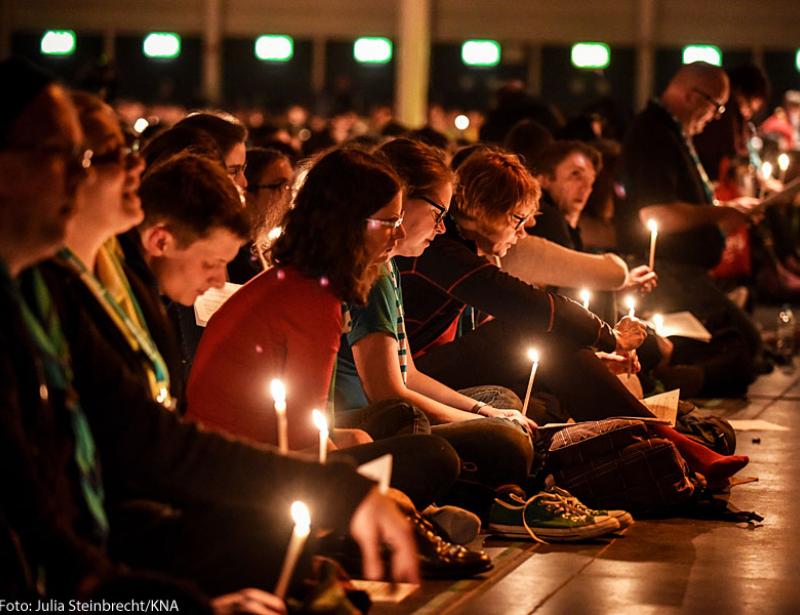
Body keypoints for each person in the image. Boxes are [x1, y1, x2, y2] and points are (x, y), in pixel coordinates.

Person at [0, 58, 417, 604]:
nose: (86, 175)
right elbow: (44, 533)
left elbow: (150, 438)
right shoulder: (51, 293)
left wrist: (341, 490)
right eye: (68, 156)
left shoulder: (49, 292)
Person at [396, 147, 749, 486]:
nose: (522, 234)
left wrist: (594, 357)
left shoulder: (460, 249)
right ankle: (667, 440)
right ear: (487, 211)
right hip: (417, 376)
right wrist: (610, 337)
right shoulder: (440, 252)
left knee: (544, 367)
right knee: (528, 329)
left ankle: (661, 442)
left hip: (436, 369)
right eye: (518, 220)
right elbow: (532, 306)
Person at [185, 147, 461, 513]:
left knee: (383, 427)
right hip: (242, 475)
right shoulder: (311, 300)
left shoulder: (298, 280)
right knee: (434, 456)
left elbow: (310, 427)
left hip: (248, 452)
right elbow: (304, 441)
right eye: (388, 222)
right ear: (349, 224)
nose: (398, 235)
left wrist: (353, 443)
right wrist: (361, 490)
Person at [335, 138, 535, 502]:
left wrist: (483, 410)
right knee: (503, 440)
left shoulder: (388, 267)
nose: (442, 229)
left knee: (500, 400)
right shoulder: (370, 270)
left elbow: (408, 373)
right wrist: (484, 422)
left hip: (393, 411)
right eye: (438, 214)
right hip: (370, 419)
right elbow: (388, 393)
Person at [617, 61, 764, 390]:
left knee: (745, 343)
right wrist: (721, 212)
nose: (716, 116)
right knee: (745, 343)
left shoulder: (671, 132)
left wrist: (725, 216)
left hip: (684, 271)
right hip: (668, 272)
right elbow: (657, 213)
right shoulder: (654, 133)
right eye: (716, 106)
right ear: (692, 95)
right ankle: (679, 378)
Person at [227, 147, 295, 282]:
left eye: (291, 187)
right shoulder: (234, 254)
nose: (289, 197)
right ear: (247, 191)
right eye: (281, 186)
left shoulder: (263, 247)